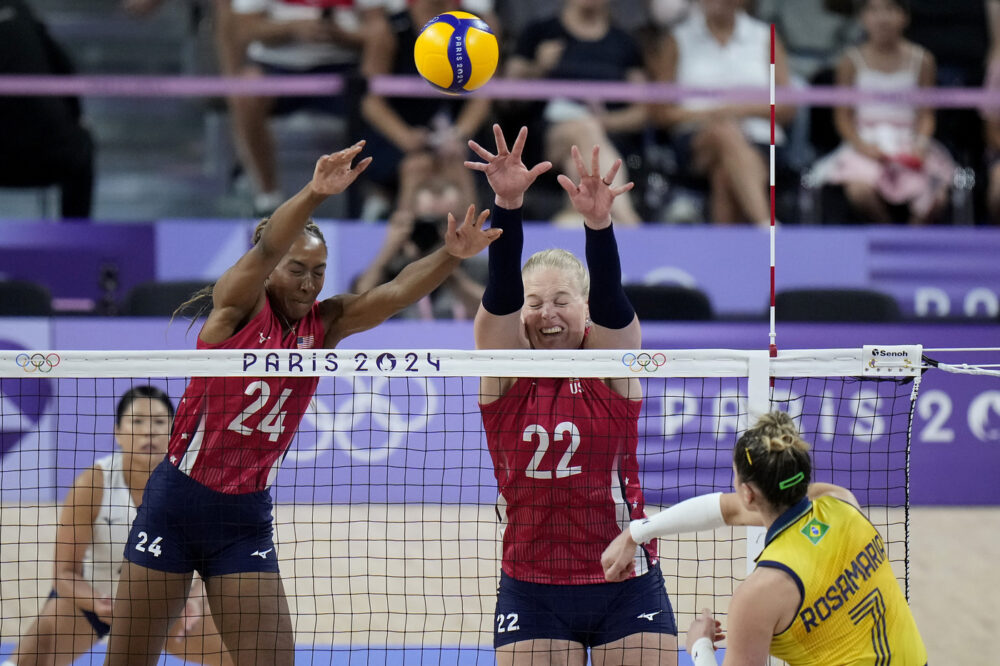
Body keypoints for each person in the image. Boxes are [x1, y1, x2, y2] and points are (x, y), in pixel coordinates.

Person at [103, 141, 500, 666]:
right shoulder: (236, 311)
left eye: (319, 271)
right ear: (268, 268)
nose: (310, 283)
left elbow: (397, 291)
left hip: (243, 514)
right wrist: (315, 193)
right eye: (298, 269)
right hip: (177, 502)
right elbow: (267, 249)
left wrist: (452, 254)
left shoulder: (324, 324)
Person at [467, 124, 677, 664]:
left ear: (583, 308)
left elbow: (612, 301)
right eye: (535, 302)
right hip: (533, 586)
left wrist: (598, 224)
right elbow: (499, 296)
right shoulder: (504, 367)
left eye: (562, 300)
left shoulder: (611, 361)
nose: (547, 313)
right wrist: (507, 205)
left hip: (626, 577)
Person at [602, 411, 928, 665]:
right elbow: (727, 510)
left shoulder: (758, 593)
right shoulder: (841, 501)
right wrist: (636, 532)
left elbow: (732, 509)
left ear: (747, 492)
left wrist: (699, 645)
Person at [3, 387, 231, 666]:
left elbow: (213, 568)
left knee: (241, 653)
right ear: (118, 432)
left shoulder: (194, 487)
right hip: (91, 600)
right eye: (137, 422)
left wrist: (192, 601)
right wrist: (97, 602)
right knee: (28, 659)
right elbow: (63, 574)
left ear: (175, 432)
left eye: (160, 422)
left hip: (164, 605)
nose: (149, 431)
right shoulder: (93, 484)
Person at [646, 0, 794, 226]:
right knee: (723, 132)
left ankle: (726, 256)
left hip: (762, 139)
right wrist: (712, 115)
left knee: (724, 175)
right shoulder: (678, 39)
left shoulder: (765, 37)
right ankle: (767, 225)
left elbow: (787, 105)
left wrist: (738, 110)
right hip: (697, 141)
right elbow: (661, 112)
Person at [808, 0, 956, 224]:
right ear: (863, 18)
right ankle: (887, 233)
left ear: (904, 17)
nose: (882, 18)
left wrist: (921, 144)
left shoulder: (923, 60)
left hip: (910, 143)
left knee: (936, 197)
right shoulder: (849, 61)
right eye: (874, 10)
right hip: (866, 143)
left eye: (890, 9)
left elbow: (926, 115)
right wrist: (863, 147)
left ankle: (913, 242)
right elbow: (843, 117)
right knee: (860, 192)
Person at [505, 0, 646, 226]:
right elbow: (507, 95)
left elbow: (643, 111)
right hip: (548, 137)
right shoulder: (539, 32)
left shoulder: (625, 43)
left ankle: (588, 220)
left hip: (607, 136)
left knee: (578, 159)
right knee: (583, 128)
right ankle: (629, 220)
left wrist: (605, 121)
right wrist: (538, 68)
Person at [358, 0, 495, 219]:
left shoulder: (476, 27)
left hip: (454, 131)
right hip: (399, 132)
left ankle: (472, 240)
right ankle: (399, 239)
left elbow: (485, 94)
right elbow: (369, 101)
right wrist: (406, 138)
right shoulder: (390, 29)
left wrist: (460, 133)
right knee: (417, 165)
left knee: (457, 161)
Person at [0, 0, 94, 219]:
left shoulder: (21, 14)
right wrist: (78, 119)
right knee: (83, 150)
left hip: (25, 154)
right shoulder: (22, 13)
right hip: (51, 155)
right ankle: (74, 242)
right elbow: (66, 71)